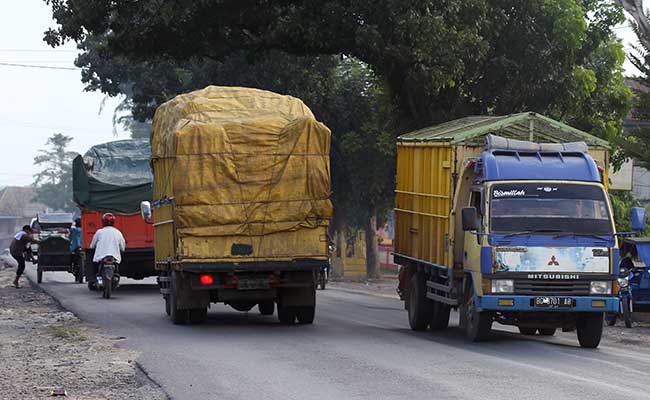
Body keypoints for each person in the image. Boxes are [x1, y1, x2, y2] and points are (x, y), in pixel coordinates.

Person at [90, 213, 125, 280]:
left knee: (95, 269)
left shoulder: (99, 232)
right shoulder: (118, 232)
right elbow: (122, 247)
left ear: (103, 222)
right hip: (115, 257)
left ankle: (96, 279)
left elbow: (92, 245)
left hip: (100, 257)